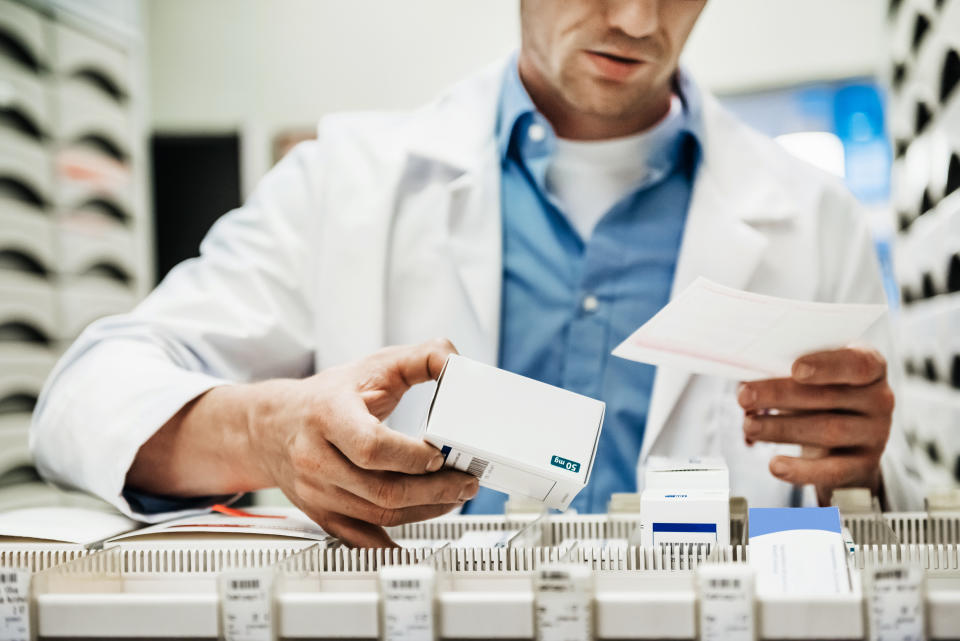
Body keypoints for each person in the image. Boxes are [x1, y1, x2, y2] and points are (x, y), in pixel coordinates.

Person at [31, 0, 921, 547]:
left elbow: (890, 511)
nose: (641, 21)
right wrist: (273, 429)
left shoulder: (813, 217)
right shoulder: (346, 182)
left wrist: (863, 466)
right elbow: (81, 401)